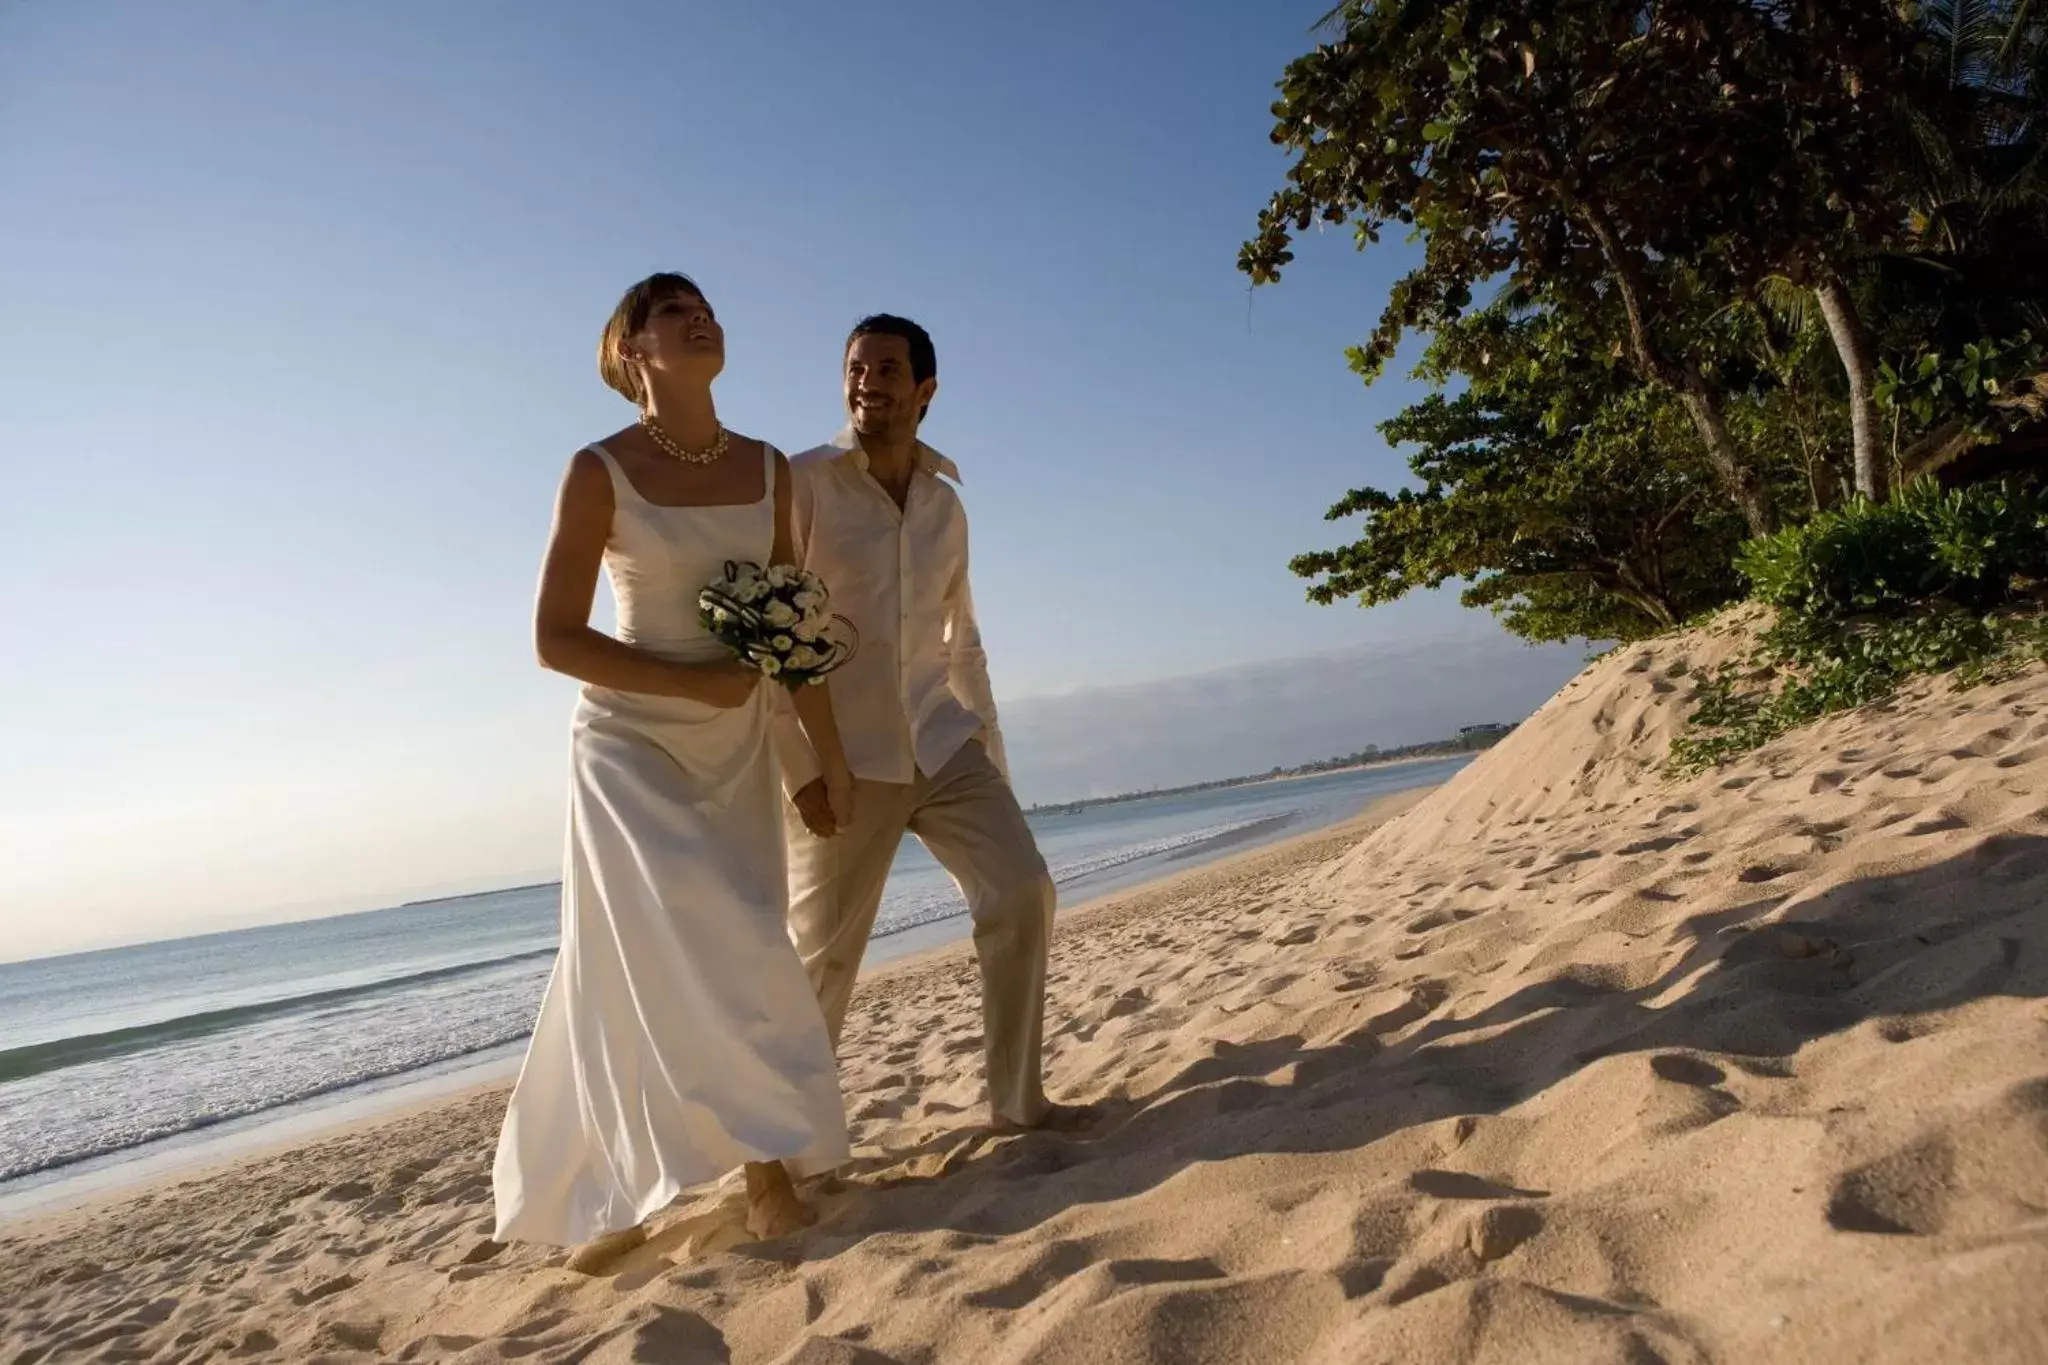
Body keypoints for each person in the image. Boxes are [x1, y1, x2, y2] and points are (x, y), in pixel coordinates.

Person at [493, 273, 855, 1261]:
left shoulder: (774, 471)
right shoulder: (595, 470)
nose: (698, 316)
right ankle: (730, 1173)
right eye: (669, 310)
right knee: (666, 947)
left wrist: (821, 760)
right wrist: (686, 686)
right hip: (626, 746)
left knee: (743, 934)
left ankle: (747, 1158)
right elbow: (553, 639)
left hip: (734, 747)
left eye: (704, 306)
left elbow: (790, 635)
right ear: (629, 353)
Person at [773, 314, 1091, 1133]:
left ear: (925, 390)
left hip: (941, 738)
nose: (866, 380)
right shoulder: (802, 482)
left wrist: (991, 753)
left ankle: (1019, 1104)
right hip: (844, 756)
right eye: (854, 366)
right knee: (821, 962)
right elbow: (770, 638)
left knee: (1023, 890)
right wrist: (799, 768)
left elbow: (964, 639)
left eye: (886, 367)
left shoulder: (948, 506)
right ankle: (791, 1151)